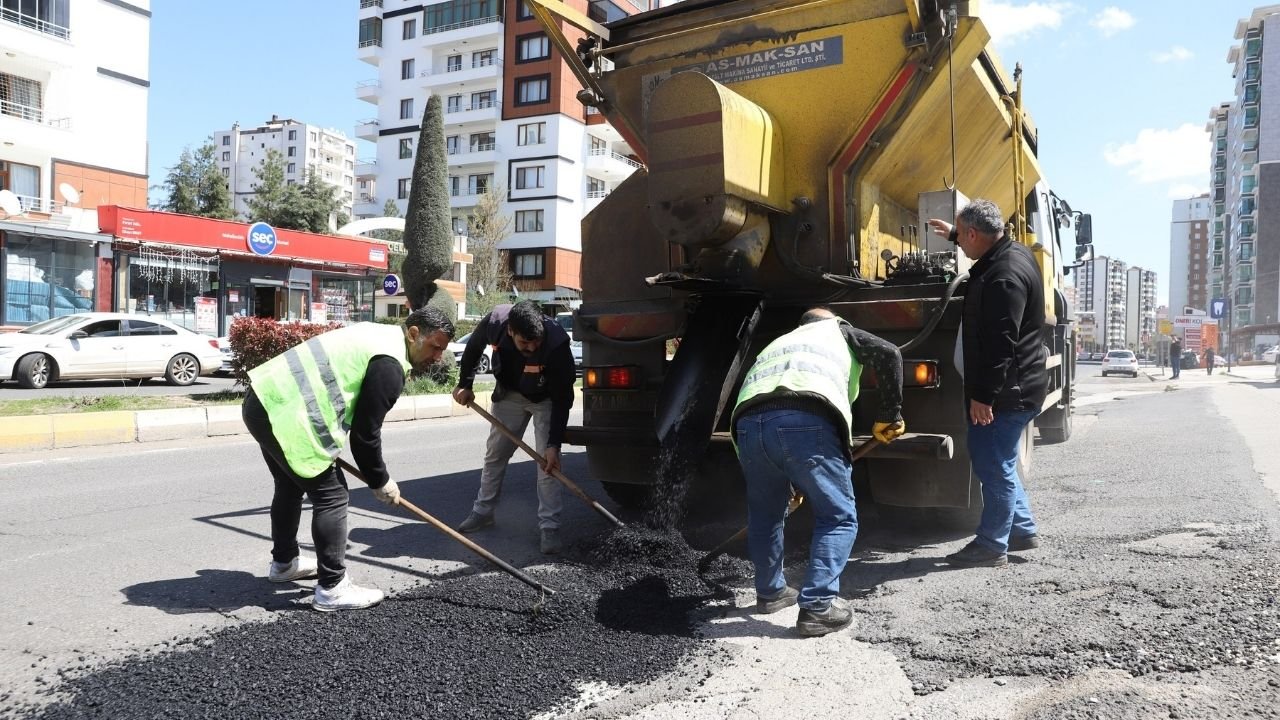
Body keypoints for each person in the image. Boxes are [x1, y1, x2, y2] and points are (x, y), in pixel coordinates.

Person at [242, 307, 455, 611]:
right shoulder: (389, 365)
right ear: (414, 333)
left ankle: (285, 563)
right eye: (435, 346)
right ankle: (332, 588)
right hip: (286, 414)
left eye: (442, 350)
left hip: (264, 400)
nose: (437, 357)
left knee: (290, 486)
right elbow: (365, 436)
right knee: (332, 495)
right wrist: (380, 481)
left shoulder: (379, 335)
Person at [731, 307, 905, 637]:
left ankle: (770, 593)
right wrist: (888, 414)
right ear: (834, 320)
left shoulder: (780, 343)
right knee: (837, 517)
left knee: (766, 514)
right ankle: (818, 607)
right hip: (806, 420)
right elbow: (889, 353)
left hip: (749, 427)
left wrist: (789, 476)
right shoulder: (838, 331)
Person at [929, 199, 1046, 568]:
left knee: (991, 463)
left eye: (962, 236)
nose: (960, 243)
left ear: (976, 234)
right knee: (1003, 460)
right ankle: (1023, 530)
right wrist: (952, 233)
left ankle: (992, 544)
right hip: (1018, 386)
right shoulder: (1012, 254)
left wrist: (984, 396)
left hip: (1006, 392)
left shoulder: (1003, 276)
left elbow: (1001, 343)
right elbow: (980, 247)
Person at [452, 300, 576, 554]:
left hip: (546, 399)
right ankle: (483, 511)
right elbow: (474, 348)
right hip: (510, 393)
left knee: (547, 463)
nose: (531, 347)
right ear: (511, 331)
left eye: (535, 342)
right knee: (496, 453)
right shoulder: (496, 323)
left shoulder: (556, 343)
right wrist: (465, 383)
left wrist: (554, 444)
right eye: (524, 343)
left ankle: (549, 527)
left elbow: (564, 397)